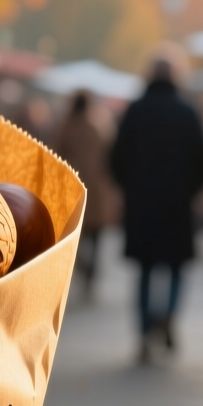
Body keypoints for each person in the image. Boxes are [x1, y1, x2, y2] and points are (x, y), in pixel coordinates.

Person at [109, 46, 203, 364]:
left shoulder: (136, 110)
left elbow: (115, 159)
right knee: (176, 267)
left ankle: (143, 333)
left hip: (142, 205)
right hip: (178, 205)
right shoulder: (187, 111)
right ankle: (167, 314)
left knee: (144, 270)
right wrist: (189, 191)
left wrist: (131, 187)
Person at [55, 90, 115, 298]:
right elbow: (108, 156)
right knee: (96, 238)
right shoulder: (97, 128)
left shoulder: (66, 128)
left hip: (73, 187)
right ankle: (91, 275)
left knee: (75, 235)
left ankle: (83, 267)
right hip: (96, 190)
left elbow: (56, 155)